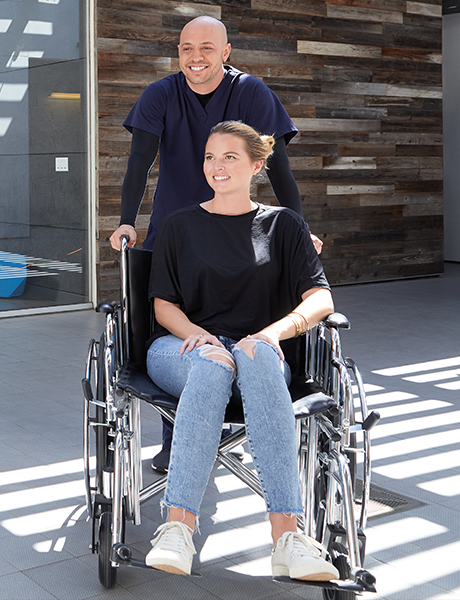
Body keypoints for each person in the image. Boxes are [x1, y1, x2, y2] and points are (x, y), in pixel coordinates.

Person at [108, 16, 322, 473]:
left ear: (226, 52)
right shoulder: (161, 94)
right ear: (178, 52)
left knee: (238, 310)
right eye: (187, 48)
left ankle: (232, 432)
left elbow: (278, 165)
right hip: (174, 227)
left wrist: (298, 226)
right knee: (178, 329)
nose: (196, 57)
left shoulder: (251, 92)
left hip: (235, 224)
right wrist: (127, 221)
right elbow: (139, 161)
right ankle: (177, 438)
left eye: (207, 47)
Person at [142, 121, 338, 582]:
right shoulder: (179, 225)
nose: (217, 166)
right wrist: (199, 335)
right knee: (212, 366)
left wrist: (272, 334)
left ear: (256, 165)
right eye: (210, 157)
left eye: (230, 157)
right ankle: (178, 529)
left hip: (257, 353)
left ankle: (288, 540)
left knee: (257, 355)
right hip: (184, 347)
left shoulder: (284, 225)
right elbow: (163, 305)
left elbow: (321, 299)